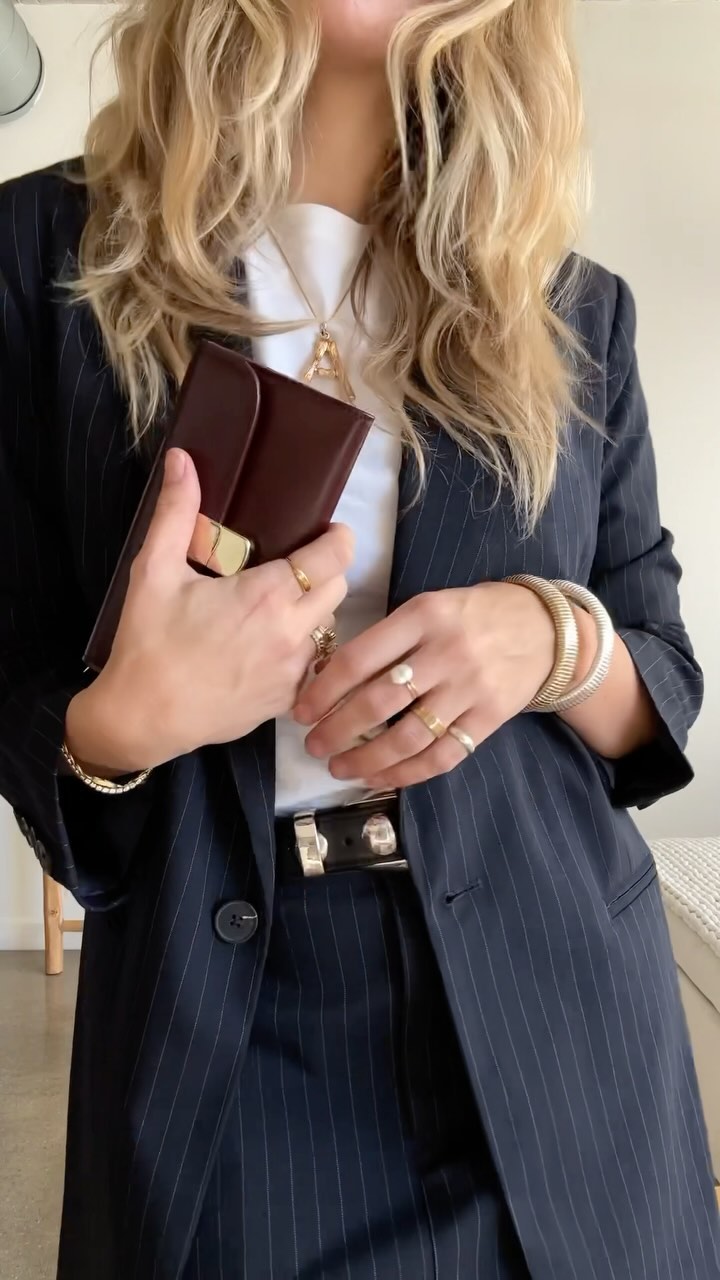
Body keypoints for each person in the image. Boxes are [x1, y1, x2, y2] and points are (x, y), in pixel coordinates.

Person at [0, 0, 717, 1276]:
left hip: (564, 1016)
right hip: (228, 1028)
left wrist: (551, 638)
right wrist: (129, 720)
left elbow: (657, 662)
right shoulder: (41, 252)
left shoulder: (568, 304)